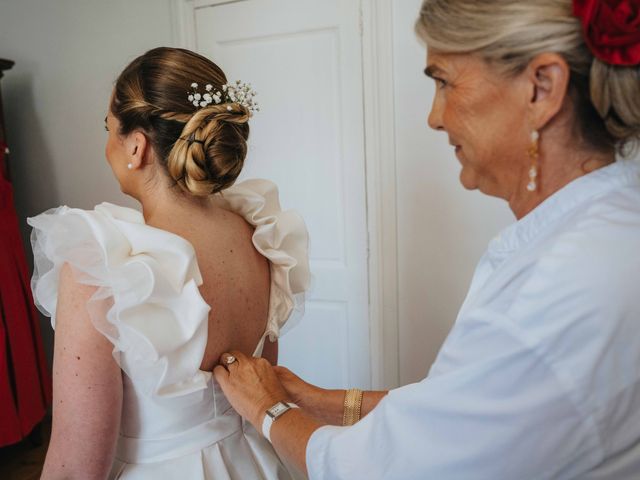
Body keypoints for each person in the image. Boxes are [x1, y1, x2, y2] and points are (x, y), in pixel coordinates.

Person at [213, 1, 640, 478]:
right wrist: (320, 402)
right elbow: (467, 410)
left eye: (444, 82)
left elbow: (386, 469)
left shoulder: (557, 287)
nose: (434, 117)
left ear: (541, 87)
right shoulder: (609, 222)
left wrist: (268, 410)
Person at [29, 47, 310, 479]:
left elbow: (76, 467)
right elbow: (261, 381)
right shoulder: (261, 234)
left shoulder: (102, 266)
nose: (107, 145)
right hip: (256, 461)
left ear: (136, 146)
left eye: (108, 129)